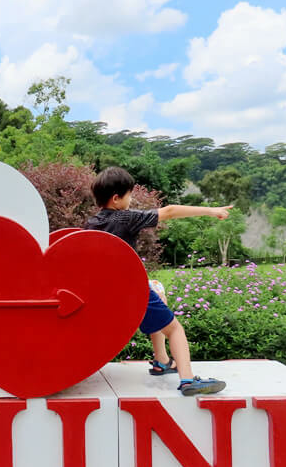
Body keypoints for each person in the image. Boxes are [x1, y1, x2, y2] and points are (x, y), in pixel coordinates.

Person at [84, 166, 232, 396]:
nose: (131, 200)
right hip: (131, 293)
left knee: (156, 289)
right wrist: (212, 210)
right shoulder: (125, 217)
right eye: (129, 195)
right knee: (175, 330)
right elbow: (170, 211)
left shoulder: (90, 225)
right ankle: (187, 380)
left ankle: (162, 361)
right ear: (116, 199)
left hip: (105, 295)